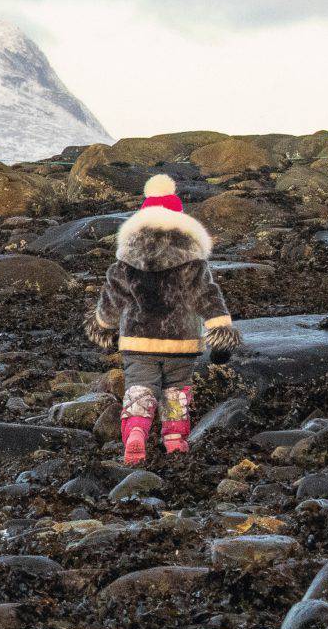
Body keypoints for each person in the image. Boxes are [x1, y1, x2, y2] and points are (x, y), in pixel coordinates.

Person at [84, 175, 241, 465]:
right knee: (176, 391)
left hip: (138, 340)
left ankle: (135, 435)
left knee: (139, 388)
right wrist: (220, 332)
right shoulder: (193, 263)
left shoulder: (125, 262)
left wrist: (103, 327)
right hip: (181, 341)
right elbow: (208, 296)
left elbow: (111, 297)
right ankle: (175, 439)